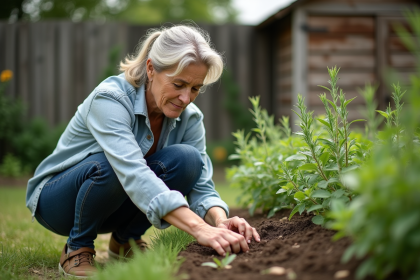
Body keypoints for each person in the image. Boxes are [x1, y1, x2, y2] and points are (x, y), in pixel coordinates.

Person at [26, 25, 260, 278]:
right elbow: (132, 171)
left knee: (188, 160)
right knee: (110, 165)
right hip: (59, 203)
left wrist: (218, 220)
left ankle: (125, 241)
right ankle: (77, 247)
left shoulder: (190, 118)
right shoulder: (111, 99)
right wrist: (199, 228)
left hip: (115, 203)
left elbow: (201, 183)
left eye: (195, 88)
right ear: (151, 68)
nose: (186, 98)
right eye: (178, 84)